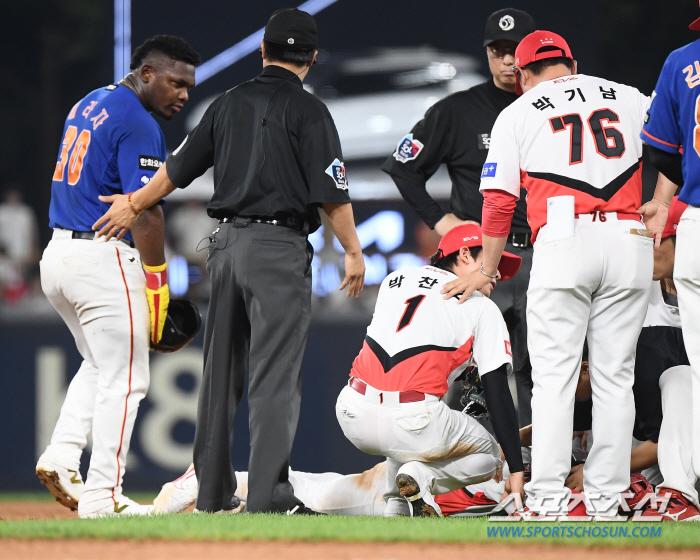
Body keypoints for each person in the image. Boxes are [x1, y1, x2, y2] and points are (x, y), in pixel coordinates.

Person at [93, 8, 365, 514]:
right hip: (278, 250)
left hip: (224, 248)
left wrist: (133, 202)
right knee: (274, 376)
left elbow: (175, 172)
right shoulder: (311, 112)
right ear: (312, 57)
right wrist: (352, 250)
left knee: (219, 376)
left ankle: (213, 495)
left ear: (263, 51)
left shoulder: (225, 103)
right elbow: (332, 193)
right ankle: (267, 497)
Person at [441, 31, 654, 519]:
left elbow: (496, 202)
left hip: (563, 236)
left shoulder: (517, 111)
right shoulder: (627, 95)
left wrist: (488, 269)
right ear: (571, 63)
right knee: (615, 379)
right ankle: (606, 499)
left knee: (555, 378)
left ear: (522, 74)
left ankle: (549, 499)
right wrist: (661, 202)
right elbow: (676, 143)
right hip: (630, 237)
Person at [35, 36, 199, 518]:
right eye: (176, 82)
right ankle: (103, 497)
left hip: (58, 256)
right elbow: (145, 214)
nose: (184, 94)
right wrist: (158, 282)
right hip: (102, 258)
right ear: (146, 73)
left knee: (100, 362)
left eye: (189, 85)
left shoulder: (91, 101)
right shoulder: (139, 123)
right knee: (127, 379)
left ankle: (63, 455)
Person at [381, 8, 537, 426]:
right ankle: (457, 477)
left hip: (545, 255)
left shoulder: (549, 108)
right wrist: (439, 220)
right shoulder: (457, 110)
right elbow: (403, 168)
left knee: (541, 374)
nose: (507, 61)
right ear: (486, 54)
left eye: (514, 51)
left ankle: (542, 475)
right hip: (482, 261)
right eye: (498, 51)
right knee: (469, 375)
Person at [335, 224, 523, 517]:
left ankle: (396, 505)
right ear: (463, 255)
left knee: (402, 407)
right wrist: (515, 467)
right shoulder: (481, 306)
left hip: (352, 412)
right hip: (415, 422)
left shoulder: (394, 279)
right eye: (491, 261)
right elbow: (497, 394)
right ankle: (422, 478)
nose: (497, 273)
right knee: (488, 455)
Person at [638, 6, 700, 489]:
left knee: (695, 371)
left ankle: (685, 486)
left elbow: (661, 150)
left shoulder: (682, 60)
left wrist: (665, 201)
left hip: (696, 216)